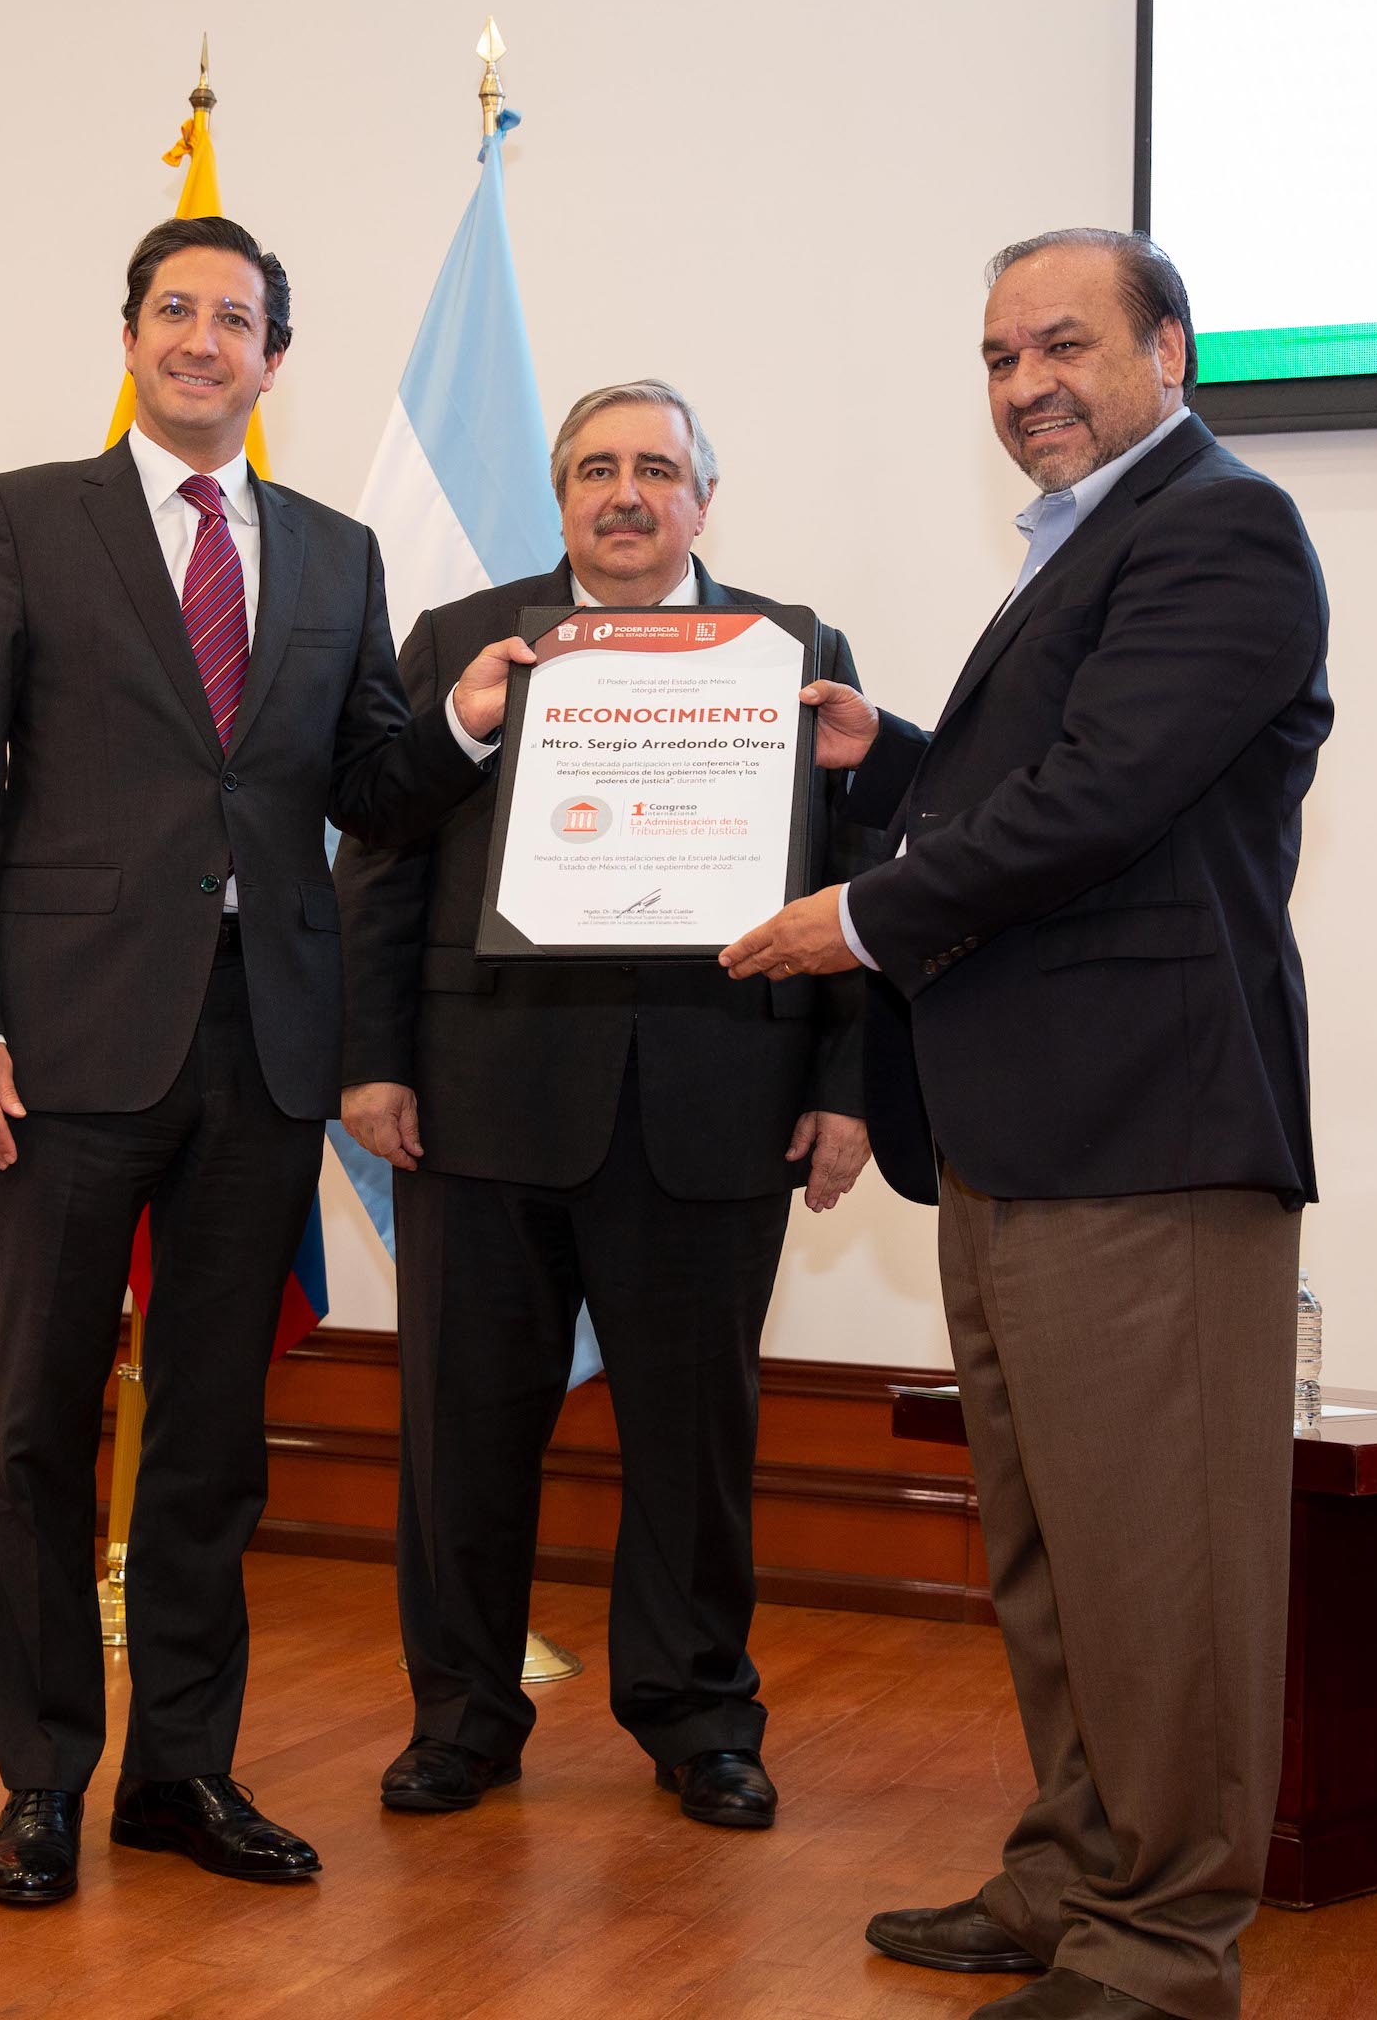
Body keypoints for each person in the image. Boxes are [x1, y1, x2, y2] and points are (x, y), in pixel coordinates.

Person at [723, 231, 1331, 2020]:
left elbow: (1101, 801)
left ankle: (1160, 1947)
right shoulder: (1091, 545)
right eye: (995, 359)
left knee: (1165, 1566)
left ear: (1172, 350)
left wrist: (855, 913)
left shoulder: (1219, 525)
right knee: (1058, 1554)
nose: (1023, 386)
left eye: (1062, 345)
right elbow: (1058, 783)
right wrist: (889, 760)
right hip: (1021, 1129)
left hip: (1148, 1129)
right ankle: (1078, 1873)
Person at [0, 214, 527, 1907]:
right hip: (59, 1050)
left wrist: (466, 720)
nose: (201, 337)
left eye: (234, 317)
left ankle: (179, 1770)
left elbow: (372, 795)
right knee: (39, 1424)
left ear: (274, 359)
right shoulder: (22, 519)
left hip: (262, 1050)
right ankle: (41, 1783)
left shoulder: (332, 556)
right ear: (129, 336)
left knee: (212, 1435)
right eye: (173, 308)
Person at [334, 379, 877, 1830]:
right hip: (480, 1096)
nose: (623, 494)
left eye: (655, 468)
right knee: (462, 1432)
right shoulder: (465, 641)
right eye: (594, 470)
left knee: (695, 1438)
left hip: (720, 1098)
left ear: (704, 495)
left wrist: (843, 1090)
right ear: (560, 495)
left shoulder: (794, 649)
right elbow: (380, 855)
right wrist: (369, 1061)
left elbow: (855, 870)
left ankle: (698, 1717)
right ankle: (460, 1715)